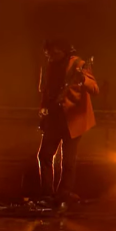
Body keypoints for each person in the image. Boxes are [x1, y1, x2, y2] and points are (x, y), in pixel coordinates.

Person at [37, 39, 99, 210]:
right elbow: (46, 90)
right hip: (54, 118)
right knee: (44, 156)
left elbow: (95, 89)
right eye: (48, 53)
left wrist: (82, 80)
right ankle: (47, 195)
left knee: (69, 160)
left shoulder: (78, 64)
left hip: (74, 119)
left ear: (63, 51)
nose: (50, 56)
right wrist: (42, 109)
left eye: (54, 53)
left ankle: (64, 194)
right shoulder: (48, 66)